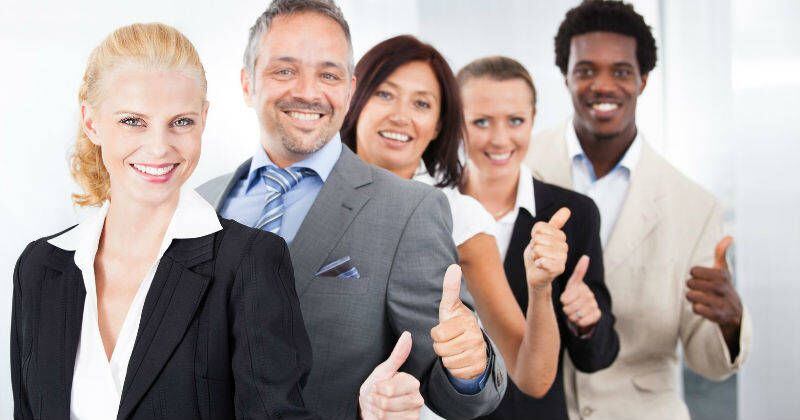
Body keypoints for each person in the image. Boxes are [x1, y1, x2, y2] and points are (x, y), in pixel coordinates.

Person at [196, 1, 506, 418]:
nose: (308, 92)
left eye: (328, 74)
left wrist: (468, 366)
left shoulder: (408, 211)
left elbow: (453, 393)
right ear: (247, 83)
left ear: (349, 90)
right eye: (285, 70)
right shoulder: (198, 203)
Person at [11, 23, 316, 419]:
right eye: (133, 121)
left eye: (181, 121)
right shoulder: (40, 267)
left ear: (203, 119)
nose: (158, 148)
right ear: (91, 122)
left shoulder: (249, 262)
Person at [524, 1, 753, 419]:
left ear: (643, 80)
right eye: (586, 71)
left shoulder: (694, 207)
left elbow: (708, 362)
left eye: (621, 71)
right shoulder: (519, 169)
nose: (602, 85)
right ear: (565, 76)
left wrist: (730, 322)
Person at [340, 35, 574, 419]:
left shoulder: (459, 216)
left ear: (438, 125)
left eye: (421, 103)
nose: (401, 115)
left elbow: (531, 375)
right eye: (385, 94)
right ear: (354, 97)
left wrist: (540, 288)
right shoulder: (306, 198)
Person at [457, 56, 619, 420]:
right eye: (481, 121)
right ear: (455, 122)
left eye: (515, 121)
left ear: (532, 119)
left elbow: (597, 357)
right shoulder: (430, 208)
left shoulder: (574, 214)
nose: (500, 139)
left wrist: (585, 321)